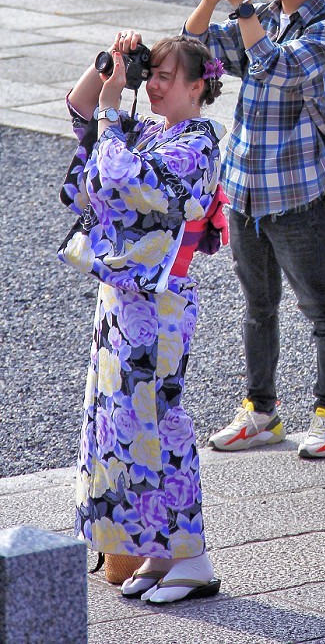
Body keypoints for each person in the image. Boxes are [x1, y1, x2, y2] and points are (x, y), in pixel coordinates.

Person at [59, 31, 228, 603]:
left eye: (163, 76)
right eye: (148, 74)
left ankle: (193, 555)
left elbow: (122, 178)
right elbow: (83, 117)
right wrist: (107, 66)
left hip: (160, 301)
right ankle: (159, 550)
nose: (151, 85)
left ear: (198, 85)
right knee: (124, 427)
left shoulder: (200, 142)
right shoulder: (153, 132)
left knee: (160, 423)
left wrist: (112, 112)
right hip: (125, 299)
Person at [184, 0, 325, 459]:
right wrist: (212, 0)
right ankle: (260, 411)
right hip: (245, 190)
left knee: (320, 306)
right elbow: (195, 52)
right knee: (258, 305)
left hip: (296, 193)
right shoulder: (266, 17)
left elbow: (275, 67)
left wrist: (241, 6)